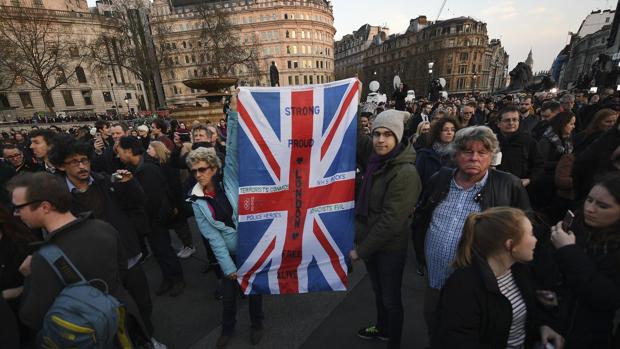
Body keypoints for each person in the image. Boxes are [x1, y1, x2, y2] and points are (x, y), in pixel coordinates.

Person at [412, 126, 531, 338]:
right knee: (434, 321)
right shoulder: (440, 179)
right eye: (468, 151)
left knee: (466, 332)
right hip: (435, 279)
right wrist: (421, 256)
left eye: (482, 152)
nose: (474, 158)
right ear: (456, 153)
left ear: (491, 156)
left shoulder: (507, 185)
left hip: (479, 286)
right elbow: (421, 219)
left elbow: (525, 232)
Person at [6, 172, 147, 343]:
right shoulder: (102, 227)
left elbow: (31, 318)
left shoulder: (43, 260)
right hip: (123, 320)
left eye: (19, 208)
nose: (16, 214)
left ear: (45, 207)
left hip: (91, 336)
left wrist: (29, 277)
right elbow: (122, 270)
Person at [47, 135, 158, 342]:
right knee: (111, 311)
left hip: (127, 255)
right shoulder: (58, 196)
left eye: (84, 160)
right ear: (62, 166)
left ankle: (147, 339)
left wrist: (129, 184)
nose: (82, 166)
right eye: (74, 162)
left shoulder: (105, 181)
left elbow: (137, 202)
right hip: (93, 267)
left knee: (142, 302)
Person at [188, 95, 265, 348]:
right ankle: (228, 329)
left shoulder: (228, 180)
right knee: (229, 297)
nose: (198, 175)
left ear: (214, 168)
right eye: (195, 171)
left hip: (249, 246)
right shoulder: (196, 199)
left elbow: (232, 148)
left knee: (254, 291)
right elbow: (212, 237)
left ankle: (257, 325)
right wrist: (228, 268)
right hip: (227, 256)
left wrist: (233, 113)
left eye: (203, 169)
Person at [432, 207, 564, 349]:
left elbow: (523, 315)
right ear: (510, 245)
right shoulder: (463, 286)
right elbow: (458, 340)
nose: (535, 240)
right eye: (531, 234)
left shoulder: (519, 270)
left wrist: (541, 326)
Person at [353, 109, 422, 349]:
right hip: (372, 244)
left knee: (390, 298)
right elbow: (352, 134)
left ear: (398, 137)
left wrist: (360, 251)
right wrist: (349, 101)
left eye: (388, 135)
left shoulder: (405, 172)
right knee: (378, 291)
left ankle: (394, 342)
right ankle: (382, 329)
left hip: (389, 248)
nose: (381, 140)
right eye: (377, 134)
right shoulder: (375, 158)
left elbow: (391, 222)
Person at [548, 173, 620, 348]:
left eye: (602, 206)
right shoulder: (574, 227)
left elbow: (606, 297)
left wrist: (568, 251)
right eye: (589, 200)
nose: (590, 209)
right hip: (551, 328)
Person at [117, 136, 185, 297]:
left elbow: (152, 199)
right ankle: (168, 279)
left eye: (118, 151)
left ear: (128, 151)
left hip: (155, 220)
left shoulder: (148, 169)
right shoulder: (132, 168)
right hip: (147, 221)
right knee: (159, 252)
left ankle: (177, 279)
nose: (117, 155)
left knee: (165, 250)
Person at [147, 141, 196, 259]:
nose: (147, 150)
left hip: (175, 200)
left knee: (180, 224)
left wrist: (174, 204)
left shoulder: (167, 164)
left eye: (150, 148)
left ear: (157, 149)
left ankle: (189, 246)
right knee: (177, 224)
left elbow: (173, 185)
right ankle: (187, 245)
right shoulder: (159, 163)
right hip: (171, 199)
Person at [494, 105, 544, 188]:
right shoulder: (491, 142)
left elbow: (539, 165)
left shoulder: (528, 141)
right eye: (507, 120)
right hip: (497, 187)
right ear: (499, 123)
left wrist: (529, 180)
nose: (511, 123)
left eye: (515, 120)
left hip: (522, 188)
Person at [415, 117, 459, 185]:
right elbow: (416, 181)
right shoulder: (424, 154)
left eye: (453, 130)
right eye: (445, 130)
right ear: (438, 132)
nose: (449, 132)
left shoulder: (457, 155)